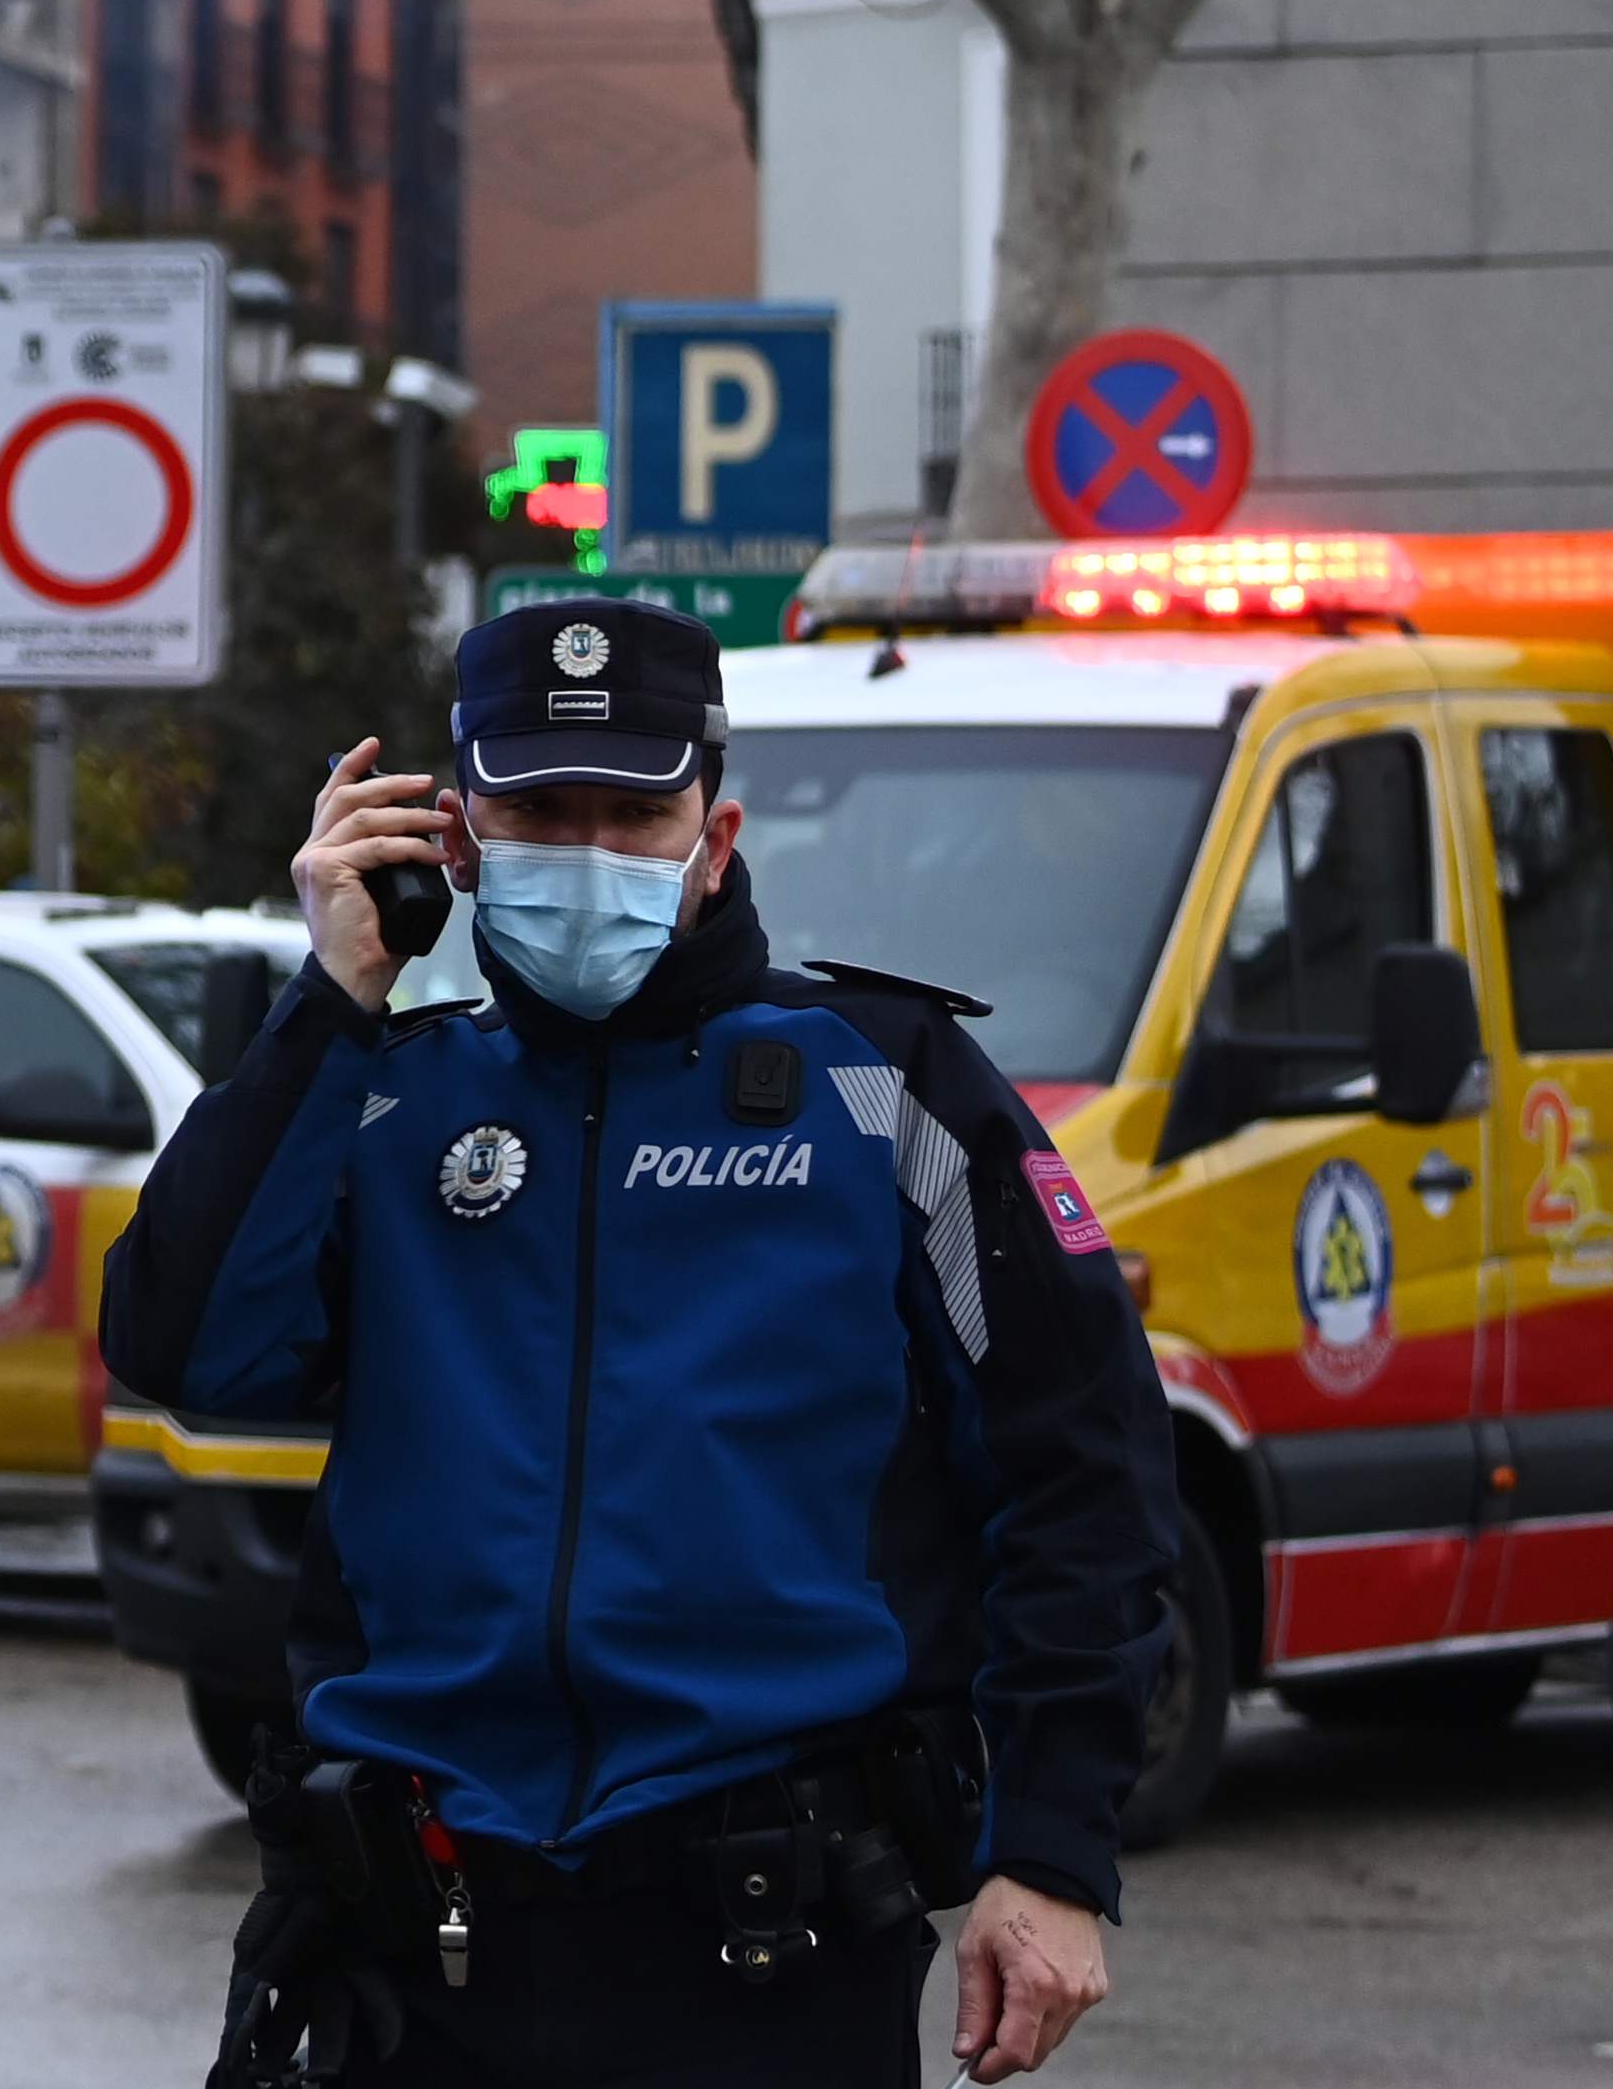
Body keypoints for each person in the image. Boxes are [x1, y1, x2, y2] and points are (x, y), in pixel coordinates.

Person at [101, 595, 1178, 2089]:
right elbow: (185, 1346)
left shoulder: (887, 1086)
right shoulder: (382, 1094)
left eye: (633, 811)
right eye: (541, 810)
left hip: (763, 1951)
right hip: (412, 1943)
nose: (589, 852)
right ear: (455, 839)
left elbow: (1089, 1478)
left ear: (715, 834)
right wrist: (331, 1002)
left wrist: (1052, 1854)